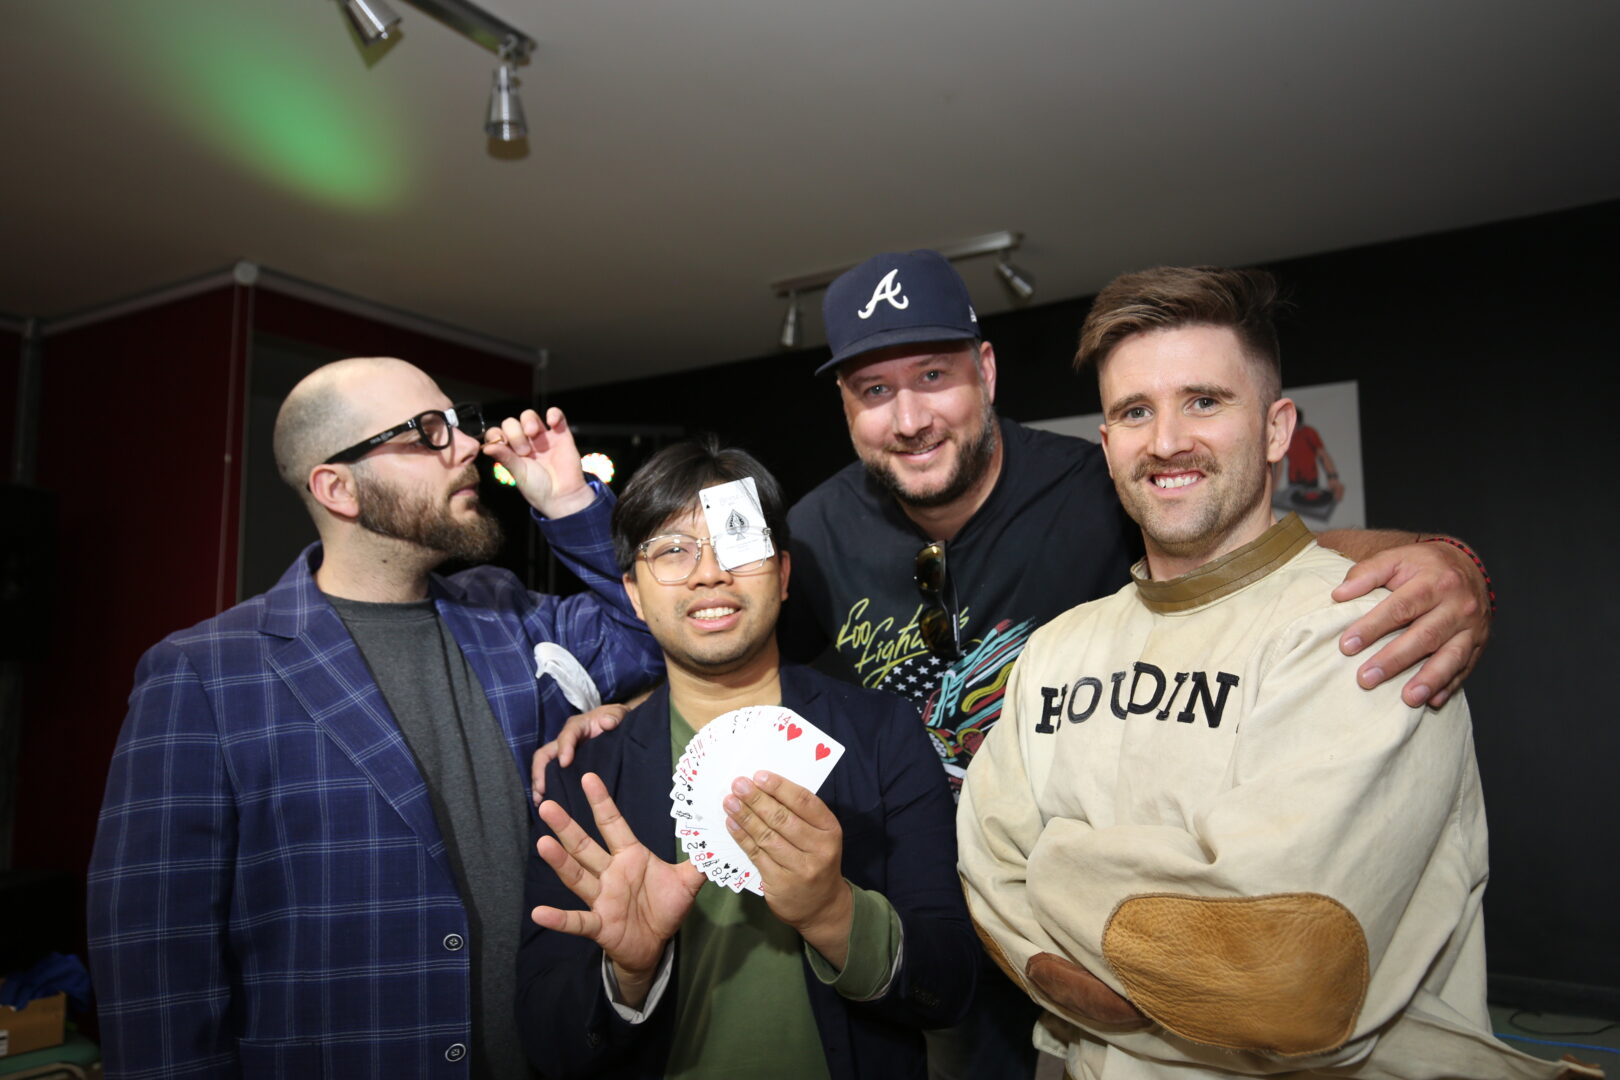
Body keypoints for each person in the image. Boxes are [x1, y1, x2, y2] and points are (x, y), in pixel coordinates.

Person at [775, 248, 1497, 1079]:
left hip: (1047, 969)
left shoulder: (1096, 486)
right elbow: (739, 652)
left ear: (986, 370)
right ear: (843, 404)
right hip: (922, 917)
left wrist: (1444, 560)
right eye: (873, 391)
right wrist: (634, 695)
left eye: (934, 375)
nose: (908, 419)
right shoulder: (818, 533)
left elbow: (1240, 556)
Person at [956, 266, 1594, 1079]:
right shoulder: (1056, 648)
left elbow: (1285, 974)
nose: (1166, 441)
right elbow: (986, 870)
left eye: (1205, 401)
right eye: (1134, 412)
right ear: (1107, 443)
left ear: (1275, 427)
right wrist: (1149, 937)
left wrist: (1057, 867)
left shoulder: (1364, 622)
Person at [87, 357, 661, 1079]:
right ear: (336, 487)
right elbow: (158, 967)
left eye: (456, 423)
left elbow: (659, 629)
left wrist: (571, 500)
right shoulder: (206, 673)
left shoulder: (504, 612)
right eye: (426, 431)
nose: (466, 447)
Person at [516, 438, 975, 1079]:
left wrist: (832, 913)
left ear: (783, 576)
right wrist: (626, 973)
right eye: (673, 550)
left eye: (737, 543)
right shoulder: (583, 777)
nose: (710, 574)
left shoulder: (883, 735)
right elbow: (547, 1040)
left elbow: (951, 988)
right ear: (634, 594)